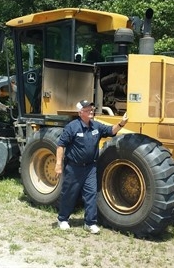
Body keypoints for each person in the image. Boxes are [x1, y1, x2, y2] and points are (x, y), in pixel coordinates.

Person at [55, 99, 128, 234]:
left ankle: (90, 223)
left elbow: (111, 131)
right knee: (69, 194)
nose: (91, 111)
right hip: (73, 168)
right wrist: (58, 164)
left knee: (91, 194)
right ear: (80, 112)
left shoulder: (96, 126)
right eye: (88, 109)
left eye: (91, 109)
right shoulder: (72, 127)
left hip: (90, 168)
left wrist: (122, 123)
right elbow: (61, 145)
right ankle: (63, 219)